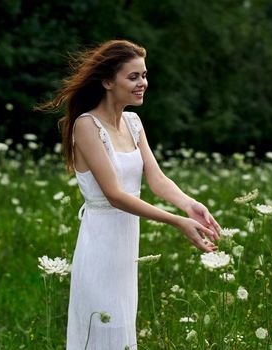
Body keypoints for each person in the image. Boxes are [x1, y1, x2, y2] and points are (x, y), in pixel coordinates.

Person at [38, 39, 221, 349]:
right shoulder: (86, 125)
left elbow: (157, 179)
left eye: (144, 75)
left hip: (126, 245)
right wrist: (176, 221)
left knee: (122, 327)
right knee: (102, 327)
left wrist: (190, 205)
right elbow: (114, 195)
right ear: (108, 81)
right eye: (133, 76)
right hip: (100, 243)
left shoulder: (133, 123)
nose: (143, 84)